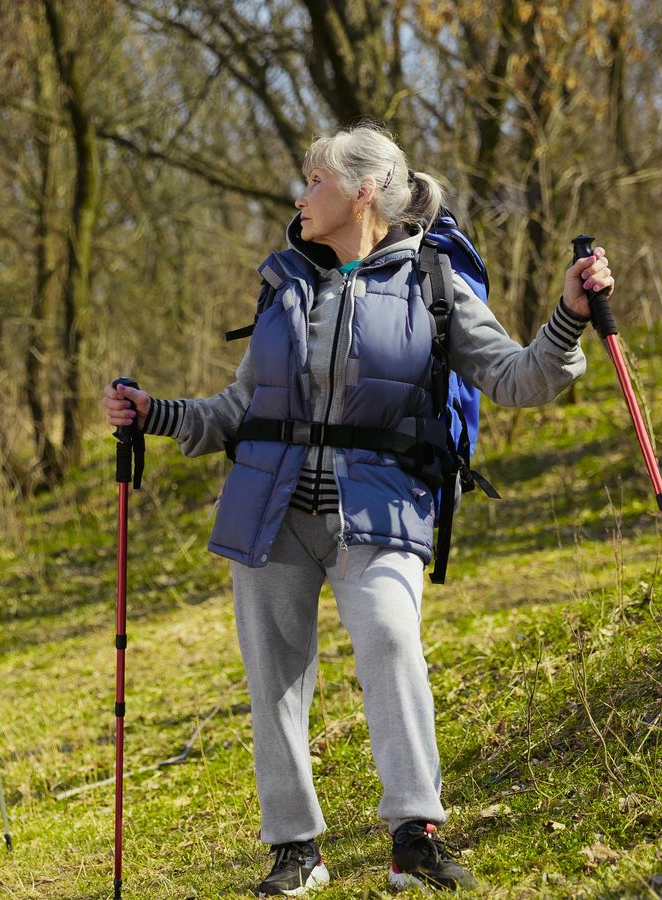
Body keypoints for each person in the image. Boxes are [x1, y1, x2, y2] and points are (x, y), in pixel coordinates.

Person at [103, 123, 614, 895]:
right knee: (273, 680)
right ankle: (295, 850)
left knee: (389, 639)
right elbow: (240, 407)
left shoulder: (434, 284)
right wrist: (157, 414)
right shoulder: (286, 283)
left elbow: (519, 377)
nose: (301, 197)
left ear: (363, 190)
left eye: (314, 182)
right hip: (270, 512)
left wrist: (570, 314)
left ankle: (414, 834)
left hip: (379, 508)